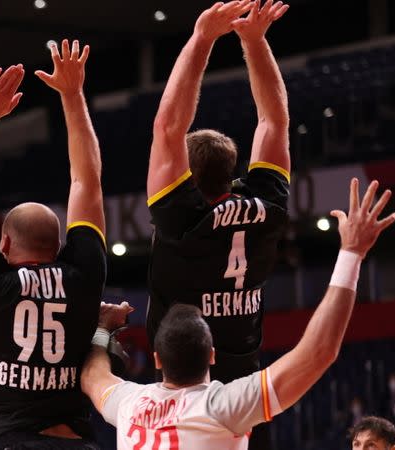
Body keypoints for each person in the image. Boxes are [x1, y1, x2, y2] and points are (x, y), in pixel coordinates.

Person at [82, 178, 395, 449]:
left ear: (157, 360)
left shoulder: (129, 403)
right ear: (212, 356)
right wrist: (351, 253)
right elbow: (318, 352)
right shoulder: (222, 406)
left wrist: (102, 328)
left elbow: (91, 376)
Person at [0, 39, 106, 449]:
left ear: (4, 242)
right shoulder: (84, 271)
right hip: (78, 441)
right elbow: (87, 181)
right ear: (63, 242)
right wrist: (73, 95)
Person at [145, 1, 290, 447]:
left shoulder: (180, 217)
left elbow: (169, 125)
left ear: (183, 177)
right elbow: (274, 118)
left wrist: (202, 38)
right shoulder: (267, 206)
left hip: (184, 396)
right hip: (246, 389)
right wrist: (255, 41)